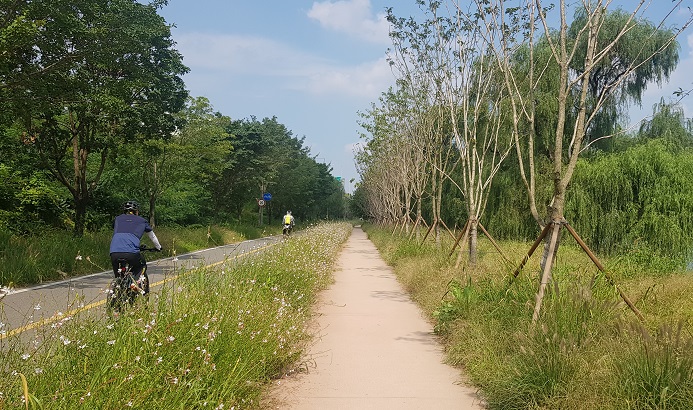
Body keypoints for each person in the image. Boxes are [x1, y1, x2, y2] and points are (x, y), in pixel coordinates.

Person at [109, 200, 161, 294]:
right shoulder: (142, 221)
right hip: (131, 253)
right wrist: (158, 247)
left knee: (119, 276)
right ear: (137, 211)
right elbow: (152, 236)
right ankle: (135, 284)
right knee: (141, 266)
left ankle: (118, 286)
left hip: (114, 252)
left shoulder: (118, 219)